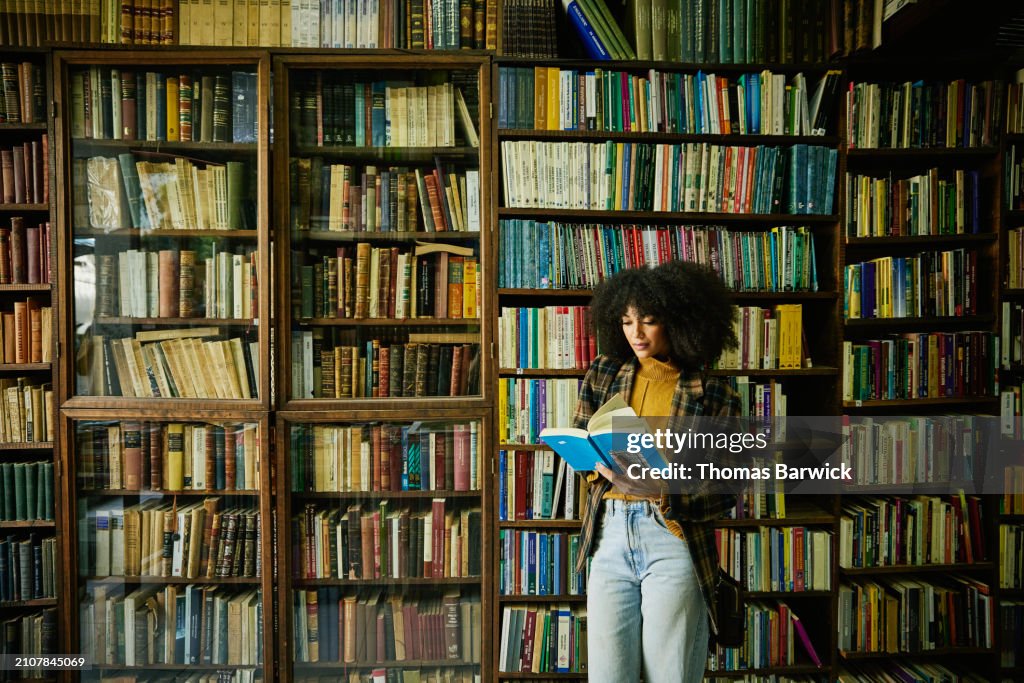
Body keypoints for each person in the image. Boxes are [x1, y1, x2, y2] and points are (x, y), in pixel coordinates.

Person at [573, 261, 740, 683]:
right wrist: (597, 467)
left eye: (649, 321)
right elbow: (581, 438)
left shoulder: (715, 393)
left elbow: (728, 487)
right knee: (608, 676)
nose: (636, 333)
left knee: (671, 674)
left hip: (671, 535)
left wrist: (665, 488)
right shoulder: (603, 373)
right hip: (609, 535)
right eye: (627, 321)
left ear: (680, 321)